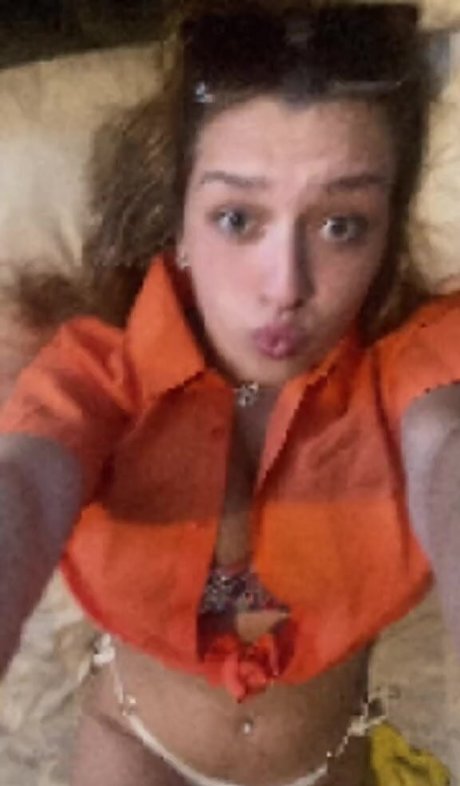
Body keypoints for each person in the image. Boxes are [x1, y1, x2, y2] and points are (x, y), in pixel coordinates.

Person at [0, 1, 458, 784]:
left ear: (387, 241)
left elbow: (447, 442)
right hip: (136, 742)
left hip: (324, 759)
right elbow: (25, 485)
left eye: (342, 225)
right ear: (179, 221)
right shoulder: (97, 374)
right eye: (238, 218)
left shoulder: (413, 372)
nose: (285, 287)